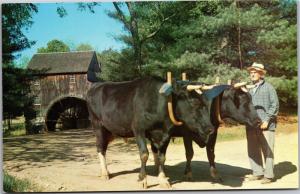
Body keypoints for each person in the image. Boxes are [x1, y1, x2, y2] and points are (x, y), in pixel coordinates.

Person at [245, 62, 279, 184]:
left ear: (261, 74)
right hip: (251, 124)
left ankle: (269, 176)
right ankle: (257, 172)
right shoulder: (248, 88)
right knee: (252, 148)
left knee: (267, 150)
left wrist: (267, 120)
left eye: (255, 72)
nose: (252, 74)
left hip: (266, 124)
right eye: (251, 72)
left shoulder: (269, 87)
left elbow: (275, 105)